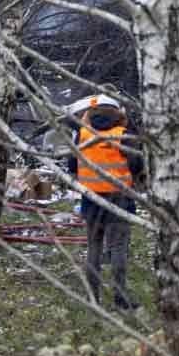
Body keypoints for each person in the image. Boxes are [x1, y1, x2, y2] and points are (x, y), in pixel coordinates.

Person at [68, 101, 143, 310]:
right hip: (119, 198)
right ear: (118, 113)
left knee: (94, 246)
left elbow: (71, 165)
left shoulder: (83, 133)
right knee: (118, 247)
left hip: (91, 198)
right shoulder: (123, 133)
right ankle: (120, 298)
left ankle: (93, 298)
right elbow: (137, 165)